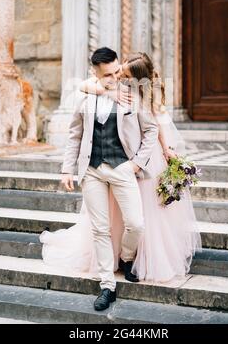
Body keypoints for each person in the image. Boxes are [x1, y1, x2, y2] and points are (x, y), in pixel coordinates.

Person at [40, 47, 159, 311]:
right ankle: (107, 285)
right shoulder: (85, 99)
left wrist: (136, 164)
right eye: (108, 74)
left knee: (136, 223)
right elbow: (74, 136)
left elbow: (151, 130)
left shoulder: (132, 94)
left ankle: (127, 258)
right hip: (92, 170)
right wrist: (67, 169)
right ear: (96, 72)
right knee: (100, 228)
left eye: (117, 71)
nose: (114, 77)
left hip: (122, 168)